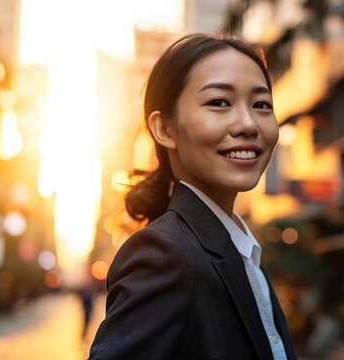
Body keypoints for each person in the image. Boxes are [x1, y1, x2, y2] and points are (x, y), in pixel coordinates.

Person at [88, 33, 296, 359]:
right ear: (165, 130)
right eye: (219, 102)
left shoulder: (241, 250)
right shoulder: (165, 253)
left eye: (261, 105)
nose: (248, 124)